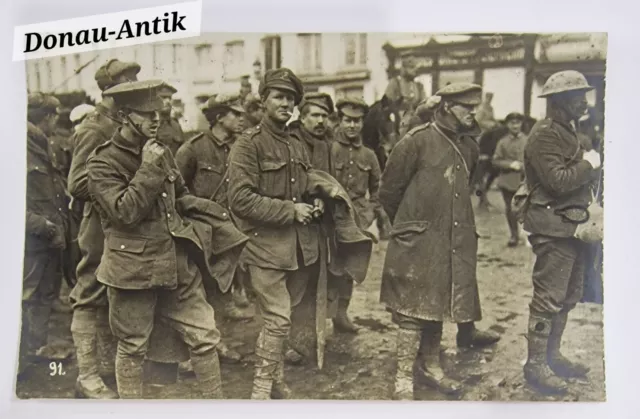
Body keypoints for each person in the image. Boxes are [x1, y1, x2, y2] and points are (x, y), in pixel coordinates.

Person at [86, 80, 226, 399]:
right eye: (146, 115)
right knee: (133, 346)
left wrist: (211, 211)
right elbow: (124, 212)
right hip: (131, 270)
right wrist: (148, 168)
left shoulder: (161, 151)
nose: (156, 121)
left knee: (205, 337)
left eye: (159, 115)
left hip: (175, 264)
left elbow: (180, 196)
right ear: (124, 116)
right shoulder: (101, 162)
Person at [379, 83, 500, 400]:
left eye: (474, 107)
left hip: (453, 237)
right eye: (466, 107)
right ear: (445, 107)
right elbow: (389, 190)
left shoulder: (469, 147)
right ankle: (404, 374)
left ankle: (431, 366)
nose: (473, 113)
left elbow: (464, 187)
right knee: (410, 308)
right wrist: (410, 226)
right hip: (417, 237)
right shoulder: (416, 141)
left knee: (441, 300)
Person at [227, 68, 323, 399]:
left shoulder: (296, 143)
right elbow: (239, 199)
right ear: (264, 100)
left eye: (291, 99)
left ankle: (277, 381)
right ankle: (260, 391)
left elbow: (304, 187)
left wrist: (315, 202)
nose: (286, 104)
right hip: (264, 246)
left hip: (297, 248)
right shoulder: (247, 144)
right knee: (279, 319)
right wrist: (289, 210)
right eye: (279, 97)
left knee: (279, 318)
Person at [521, 70, 601, 395]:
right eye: (578, 95)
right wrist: (590, 165)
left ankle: (552, 356)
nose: (584, 101)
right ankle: (535, 365)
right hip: (553, 228)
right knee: (548, 299)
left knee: (568, 296)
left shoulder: (571, 130)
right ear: (560, 101)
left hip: (574, 227)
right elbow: (558, 181)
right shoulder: (544, 135)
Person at [67, 59, 140, 398]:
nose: (135, 85)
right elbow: (77, 184)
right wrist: (116, 188)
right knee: (89, 291)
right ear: (109, 89)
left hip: (122, 219)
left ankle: (108, 368)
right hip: (98, 223)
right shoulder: (94, 127)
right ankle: (86, 376)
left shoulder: (121, 121)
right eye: (128, 81)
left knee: (114, 291)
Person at [175, 93, 253, 327]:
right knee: (202, 288)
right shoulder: (192, 149)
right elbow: (176, 192)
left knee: (223, 283)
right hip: (203, 231)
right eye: (236, 114)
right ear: (219, 117)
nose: (242, 118)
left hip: (231, 228)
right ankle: (207, 344)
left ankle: (219, 338)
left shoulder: (240, 148)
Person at [20, 93, 72, 377]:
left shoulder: (42, 145)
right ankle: (18, 356)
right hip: (34, 238)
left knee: (44, 295)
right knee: (27, 296)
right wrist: (41, 225)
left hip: (50, 237)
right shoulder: (20, 147)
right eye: (55, 116)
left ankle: (35, 349)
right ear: (48, 117)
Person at [329, 97, 382, 332]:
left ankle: (341, 314)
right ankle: (321, 317)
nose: (352, 125)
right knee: (327, 268)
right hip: (330, 218)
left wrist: (370, 214)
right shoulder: (328, 149)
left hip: (358, 220)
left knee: (350, 269)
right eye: (347, 120)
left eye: (357, 121)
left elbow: (379, 189)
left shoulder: (369, 155)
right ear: (339, 121)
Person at [492, 112, 527, 247]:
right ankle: (514, 235)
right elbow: (495, 161)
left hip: (525, 180)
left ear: (521, 124)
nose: (515, 126)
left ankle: (527, 235)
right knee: (510, 209)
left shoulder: (527, 140)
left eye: (518, 123)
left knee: (527, 209)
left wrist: (523, 166)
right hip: (508, 181)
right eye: (512, 123)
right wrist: (510, 164)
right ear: (507, 125)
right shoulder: (502, 142)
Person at [384, 54, 426, 138]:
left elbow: (424, 103)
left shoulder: (419, 86)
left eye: (415, 67)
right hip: (398, 124)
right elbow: (386, 105)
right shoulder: (395, 83)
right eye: (411, 67)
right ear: (404, 69)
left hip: (416, 123)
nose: (415, 70)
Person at [155, 82, 185, 156]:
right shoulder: (150, 125)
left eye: (170, 98)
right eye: (163, 97)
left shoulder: (176, 125)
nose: (168, 101)